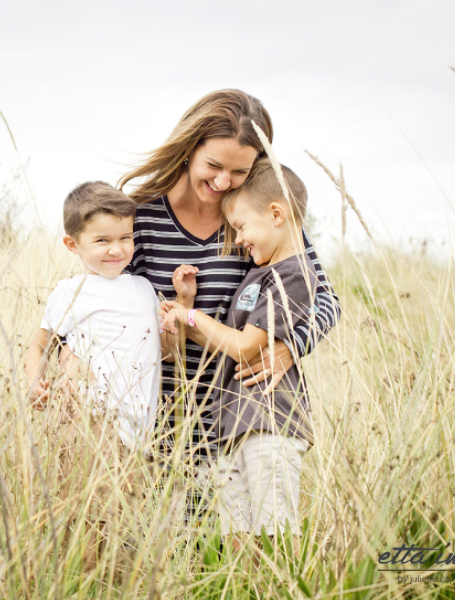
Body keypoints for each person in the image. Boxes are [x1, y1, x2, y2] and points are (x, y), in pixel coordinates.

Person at [116, 89, 340, 519]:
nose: (222, 183)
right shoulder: (140, 216)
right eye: (213, 166)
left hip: (236, 418)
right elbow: (108, 299)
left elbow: (324, 297)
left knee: (237, 552)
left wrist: (291, 345)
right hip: (160, 419)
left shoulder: (257, 216)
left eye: (239, 171)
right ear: (188, 149)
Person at [159, 159, 316, 546]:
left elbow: (246, 345)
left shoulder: (293, 275)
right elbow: (229, 341)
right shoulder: (259, 273)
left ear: (276, 213)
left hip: (270, 422)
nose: (240, 238)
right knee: (237, 536)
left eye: (242, 227)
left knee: (275, 530)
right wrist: (184, 309)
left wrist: (192, 316)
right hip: (234, 425)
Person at [23, 181, 161, 570]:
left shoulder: (144, 288)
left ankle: (109, 584)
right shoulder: (71, 291)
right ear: (73, 245)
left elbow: (160, 348)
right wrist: (36, 382)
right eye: (102, 240)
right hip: (91, 421)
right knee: (92, 519)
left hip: (139, 432)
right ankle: (83, 581)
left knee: (125, 526)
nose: (117, 249)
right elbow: (38, 347)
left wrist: (183, 303)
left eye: (125, 237)